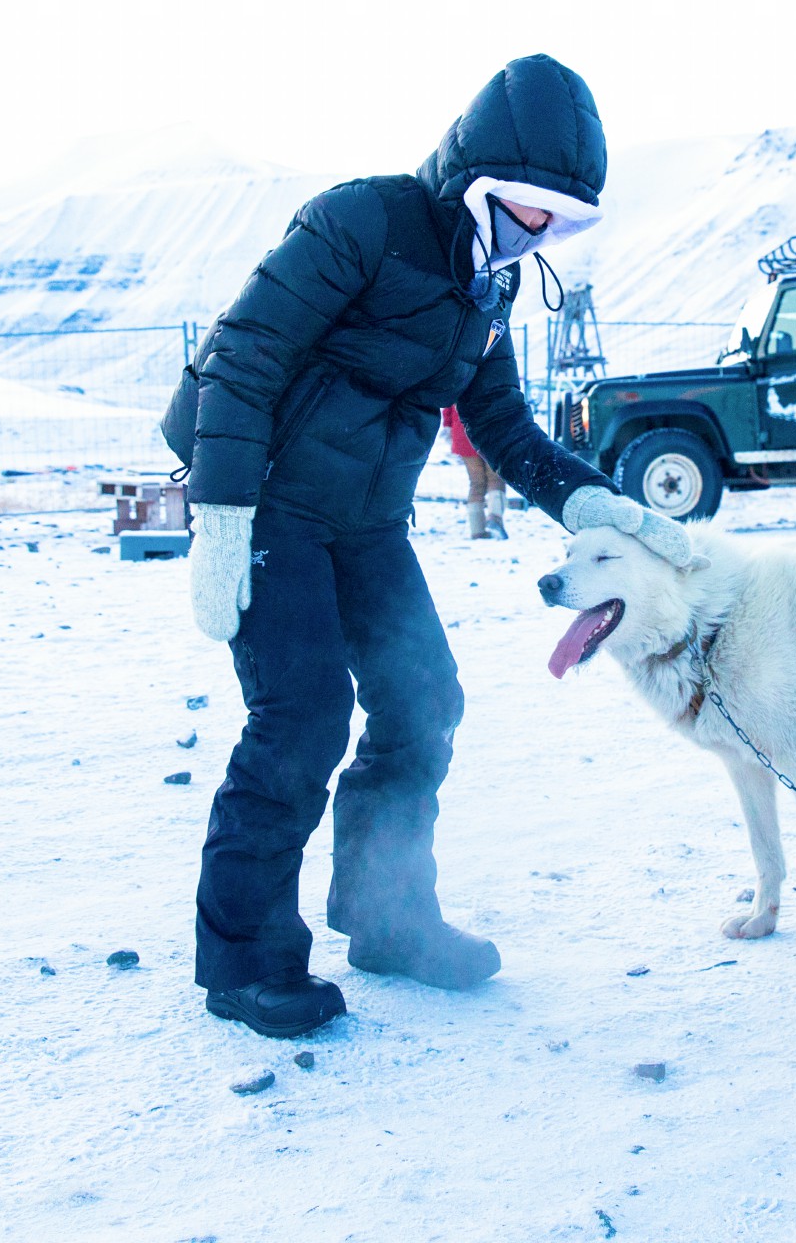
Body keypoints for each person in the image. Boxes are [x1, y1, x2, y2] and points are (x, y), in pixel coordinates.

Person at [182, 55, 695, 1040]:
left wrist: (590, 503)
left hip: (367, 521)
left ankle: (389, 918)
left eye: (558, 219)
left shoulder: (488, 287)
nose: (536, 230)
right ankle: (244, 958)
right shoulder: (364, 224)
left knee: (423, 702)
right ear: (476, 174)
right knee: (301, 717)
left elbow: (502, 425)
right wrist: (222, 518)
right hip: (271, 507)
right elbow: (242, 354)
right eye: (525, 206)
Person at [440, 405, 506, 539]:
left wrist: (448, 425)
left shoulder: (456, 383)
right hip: (490, 432)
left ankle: (477, 530)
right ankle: (495, 517)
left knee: (476, 483)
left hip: (463, 434)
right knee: (496, 478)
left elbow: (447, 404)